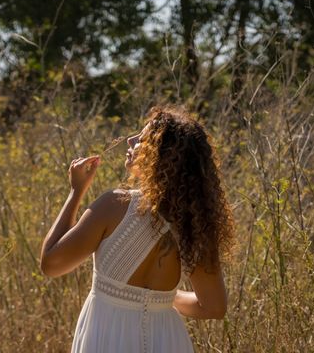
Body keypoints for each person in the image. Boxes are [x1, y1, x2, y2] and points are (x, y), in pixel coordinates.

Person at [40, 106, 234, 352]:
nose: (130, 140)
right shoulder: (194, 225)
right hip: (168, 340)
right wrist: (164, 298)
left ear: (161, 155)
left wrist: (76, 191)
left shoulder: (114, 205)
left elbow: (51, 264)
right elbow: (214, 307)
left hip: (108, 337)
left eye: (142, 139)